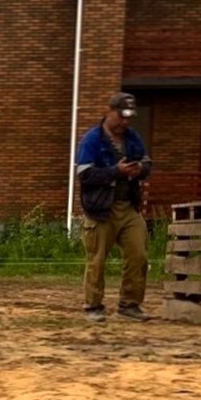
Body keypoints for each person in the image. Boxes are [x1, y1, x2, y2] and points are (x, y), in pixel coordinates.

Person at [76, 92, 152, 321]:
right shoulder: (92, 139)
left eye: (128, 117)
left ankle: (129, 305)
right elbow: (85, 175)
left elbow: (147, 163)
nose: (124, 122)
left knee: (138, 255)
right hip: (100, 209)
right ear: (108, 112)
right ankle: (93, 306)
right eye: (121, 116)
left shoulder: (133, 138)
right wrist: (115, 172)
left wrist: (139, 169)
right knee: (97, 260)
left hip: (128, 206)